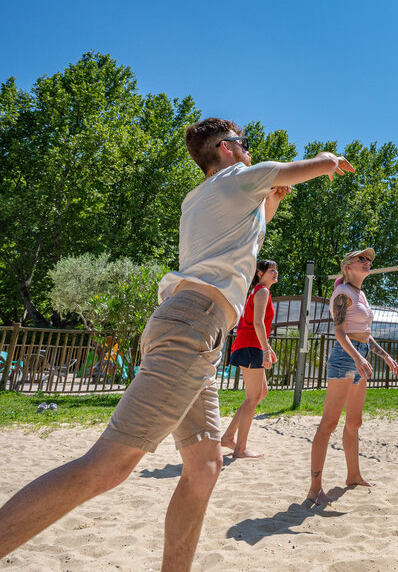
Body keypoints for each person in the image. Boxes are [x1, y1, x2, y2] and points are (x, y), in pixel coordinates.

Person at [0, 118, 355, 572]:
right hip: (193, 326)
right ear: (226, 150)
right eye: (243, 144)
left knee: (204, 467)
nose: (248, 149)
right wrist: (328, 162)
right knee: (108, 466)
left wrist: (269, 206)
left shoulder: (201, 199)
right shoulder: (236, 177)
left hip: (191, 327)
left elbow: (243, 242)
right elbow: (296, 168)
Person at [307, 248, 398, 505]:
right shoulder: (342, 293)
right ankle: (315, 488)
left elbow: (364, 332)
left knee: (354, 422)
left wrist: (382, 355)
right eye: (362, 259)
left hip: (360, 354)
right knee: (329, 423)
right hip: (345, 358)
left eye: (369, 259)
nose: (367, 262)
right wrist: (358, 358)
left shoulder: (361, 294)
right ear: (348, 266)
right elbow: (339, 331)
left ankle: (353, 475)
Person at [220, 259, 279, 459]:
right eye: (271, 270)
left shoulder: (259, 291)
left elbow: (257, 324)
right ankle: (240, 448)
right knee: (253, 396)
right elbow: (258, 323)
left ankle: (229, 436)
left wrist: (267, 349)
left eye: (276, 270)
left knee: (261, 393)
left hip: (250, 344)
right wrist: (264, 350)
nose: (275, 273)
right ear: (260, 273)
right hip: (250, 345)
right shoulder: (262, 291)